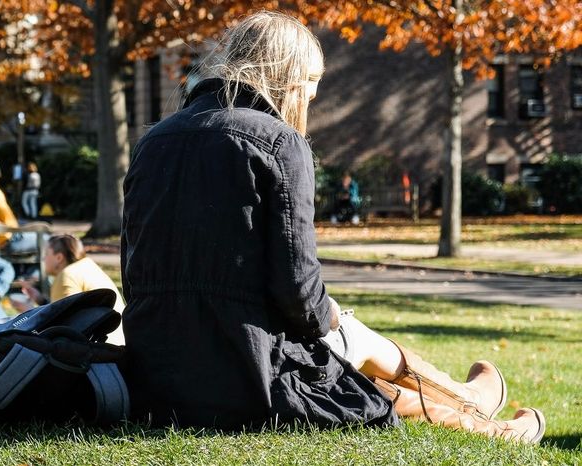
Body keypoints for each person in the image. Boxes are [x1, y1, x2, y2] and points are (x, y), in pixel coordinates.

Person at [120, 11, 543, 442]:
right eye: (309, 91)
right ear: (288, 79)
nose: (307, 104)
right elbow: (299, 294)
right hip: (245, 374)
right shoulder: (278, 142)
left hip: (158, 370)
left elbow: (133, 275)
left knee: (342, 345)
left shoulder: (152, 141)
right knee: (349, 343)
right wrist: (328, 314)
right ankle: (482, 420)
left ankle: (467, 399)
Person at [13, 234, 125, 345]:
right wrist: (41, 300)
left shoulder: (66, 275)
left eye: (46, 254)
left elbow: (63, 329)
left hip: (99, 348)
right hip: (115, 341)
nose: (43, 258)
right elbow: (72, 310)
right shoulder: (87, 265)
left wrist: (29, 312)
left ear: (59, 258)